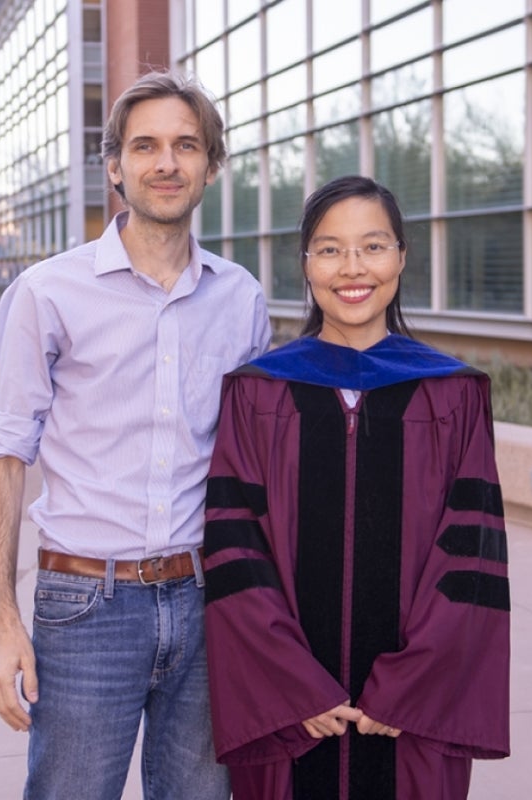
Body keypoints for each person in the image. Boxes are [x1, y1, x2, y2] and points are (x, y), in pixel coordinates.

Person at [0, 69, 272, 800]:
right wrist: (2, 619)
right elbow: (4, 459)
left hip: (210, 602)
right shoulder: (48, 293)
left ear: (210, 165)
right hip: (85, 608)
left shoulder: (242, 299)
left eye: (185, 145)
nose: (165, 162)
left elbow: (260, 466)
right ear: (114, 166)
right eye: (144, 146)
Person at [201, 175, 511, 799]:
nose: (353, 267)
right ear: (306, 265)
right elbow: (236, 548)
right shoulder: (257, 392)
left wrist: (408, 688)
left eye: (372, 246)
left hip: (408, 719)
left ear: (401, 256)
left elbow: (472, 558)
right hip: (290, 716)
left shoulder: (452, 394)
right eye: (330, 248)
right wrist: (292, 687)